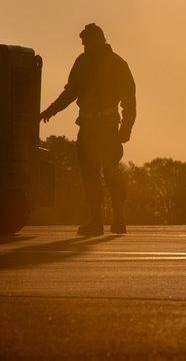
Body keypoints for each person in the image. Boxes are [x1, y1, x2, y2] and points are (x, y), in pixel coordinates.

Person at [40, 23, 136, 236]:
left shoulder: (117, 64)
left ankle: (119, 219)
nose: (85, 46)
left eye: (88, 42)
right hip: (87, 128)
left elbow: (129, 100)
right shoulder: (82, 62)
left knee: (111, 171)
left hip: (109, 127)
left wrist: (126, 129)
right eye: (83, 43)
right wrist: (50, 111)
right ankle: (96, 222)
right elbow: (71, 91)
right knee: (89, 175)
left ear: (100, 39)